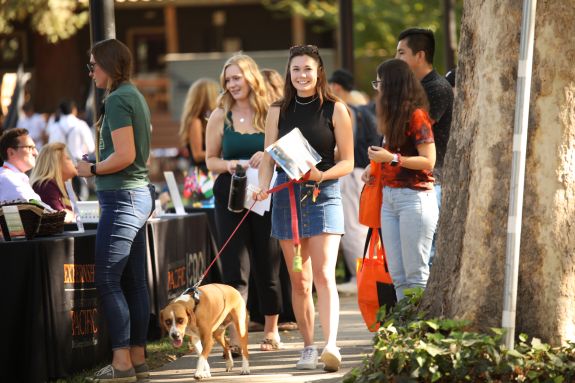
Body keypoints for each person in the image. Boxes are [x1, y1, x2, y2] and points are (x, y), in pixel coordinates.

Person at [255, 44, 354, 372]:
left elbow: (349, 162)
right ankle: (309, 346)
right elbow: (269, 157)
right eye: (296, 69)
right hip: (286, 198)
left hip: (324, 193)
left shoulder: (336, 109)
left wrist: (321, 174)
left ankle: (331, 345)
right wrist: (262, 186)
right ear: (289, 73)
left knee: (325, 274)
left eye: (308, 69)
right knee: (299, 280)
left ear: (319, 71)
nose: (301, 75)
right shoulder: (277, 110)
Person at [76, 38, 154, 383]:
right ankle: (137, 359)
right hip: (133, 194)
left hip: (123, 197)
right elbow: (130, 153)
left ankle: (121, 362)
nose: (91, 72)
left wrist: (90, 170)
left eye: (93, 65)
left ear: (108, 64)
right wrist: (97, 160)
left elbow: (125, 156)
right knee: (134, 282)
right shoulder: (130, 95)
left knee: (108, 280)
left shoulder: (120, 97)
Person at [205, 53, 283, 353]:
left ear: (251, 78)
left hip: (265, 192)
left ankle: (271, 329)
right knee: (235, 264)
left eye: (237, 77)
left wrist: (268, 155)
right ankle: (238, 333)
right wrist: (231, 164)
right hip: (230, 192)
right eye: (227, 79)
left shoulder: (270, 112)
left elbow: (282, 149)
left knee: (268, 260)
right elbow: (210, 159)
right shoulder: (219, 115)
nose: (232, 84)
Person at [364, 58, 439, 302]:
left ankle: (416, 330)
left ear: (392, 85)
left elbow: (428, 161)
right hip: (390, 198)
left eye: (380, 83)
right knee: (397, 273)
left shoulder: (417, 116)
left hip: (414, 197)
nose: (378, 89)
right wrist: (374, 165)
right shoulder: (391, 117)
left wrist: (392, 158)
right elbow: (390, 156)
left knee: (415, 272)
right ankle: (404, 326)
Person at [396, 27, 453, 262]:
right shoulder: (413, 88)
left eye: (401, 53)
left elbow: (412, 132)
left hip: (431, 181)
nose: (396, 59)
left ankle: (421, 299)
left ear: (419, 56)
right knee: (407, 255)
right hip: (410, 178)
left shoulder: (437, 88)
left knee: (425, 254)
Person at [328, 68, 381, 295]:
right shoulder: (361, 111)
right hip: (361, 172)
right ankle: (363, 276)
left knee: (352, 228)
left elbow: (343, 150)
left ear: (336, 87)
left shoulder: (346, 111)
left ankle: (361, 278)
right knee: (357, 227)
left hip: (352, 174)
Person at [29, 142, 77, 222]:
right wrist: (73, 215)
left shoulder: (65, 184)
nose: (74, 162)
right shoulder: (46, 185)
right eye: (69, 158)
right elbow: (59, 216)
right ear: (56, 163)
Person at [0, 128, 41, 203]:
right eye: (30, 148)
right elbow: (35, 208)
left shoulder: (16, 177)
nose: (35, 153)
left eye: (34, 148)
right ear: (11, 152)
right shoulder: (6, 178)